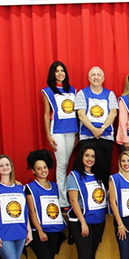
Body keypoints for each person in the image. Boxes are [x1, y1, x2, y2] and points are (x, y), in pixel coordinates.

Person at [66, 144, 108, 259]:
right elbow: (73, 200)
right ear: (81, 158)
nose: (90, 159)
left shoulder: (99, 176)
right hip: (82, 222)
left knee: (91, 255)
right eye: (87, 156)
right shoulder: (74, 176)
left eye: (92, 156)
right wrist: (83, 222)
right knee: (84, 256)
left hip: (99, 222)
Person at [25, 150, 66, 259]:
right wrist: (40, 231)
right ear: (33, 171)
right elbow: (32, 211)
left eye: (44, 167)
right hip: (40, 232)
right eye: (39, 168)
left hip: (55, 230)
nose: (43, 171)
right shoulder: (30, 188)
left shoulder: (55, 186)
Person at [42, 61, 77, 208]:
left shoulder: (73, 90)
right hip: (56, 131)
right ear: (53, 74)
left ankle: (67, 196)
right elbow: (46, 114)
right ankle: (63, 201)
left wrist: (77, 134)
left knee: (67, 163)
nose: (60, 73)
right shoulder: (48, 91)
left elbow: (77, 112)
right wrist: (48, 135)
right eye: (57, 71)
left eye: (62, 70)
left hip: (72, 130)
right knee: (62, 164)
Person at [75, 66, 118, 177]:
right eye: (93, 75)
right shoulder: (82, 93)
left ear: (103, 78)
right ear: (89, 78)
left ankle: (103, 192)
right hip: (87, 137)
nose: (96, 77)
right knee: (86, 169)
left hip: (106, 137)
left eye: (98, 75)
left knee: (104, 168)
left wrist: (102, 128)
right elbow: (81, 114)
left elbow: (113, 113)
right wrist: (93, 129)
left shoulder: (110, 94)